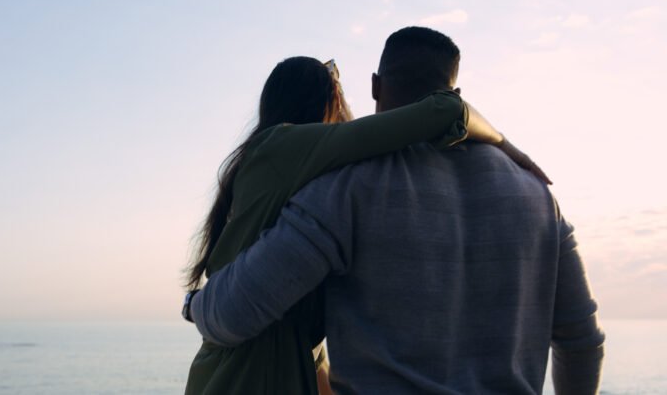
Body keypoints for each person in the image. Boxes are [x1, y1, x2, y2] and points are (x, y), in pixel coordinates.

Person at [188, 27, 604, 394]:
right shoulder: (536, 196)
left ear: (374, 86)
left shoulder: (345, 188)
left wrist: (196, 304)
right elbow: (582, 341)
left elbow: (234, 313)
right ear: (456, 93)